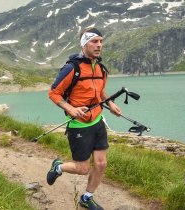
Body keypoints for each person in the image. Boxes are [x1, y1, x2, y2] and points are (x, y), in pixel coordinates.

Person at [46, 27, 122, 210]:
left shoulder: (101, 69)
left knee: (101, 164)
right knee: (82, 168)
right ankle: (58, 167)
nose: (99, 45)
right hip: (78, 124)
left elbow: (99, 90)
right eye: (94, 42)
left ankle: (87, 198)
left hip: (97, 121)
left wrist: (110, 103)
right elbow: (54, 93)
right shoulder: (73, 68)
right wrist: (70, 108)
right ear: (84, 44)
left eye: (101, 41)